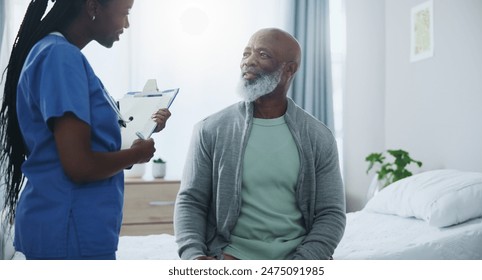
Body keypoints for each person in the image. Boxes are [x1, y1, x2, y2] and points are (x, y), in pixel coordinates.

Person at [0, 0, 171, 260]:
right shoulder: (61, 57)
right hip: (68, 229)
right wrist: (137, 155)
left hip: (64, 226)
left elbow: (82, 148)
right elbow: (79, 165)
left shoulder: (53, 53)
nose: (126, 24)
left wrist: (145, 129)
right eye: (125, 13)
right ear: (93, 7)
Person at [174, 28, 345, 260]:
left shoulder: (319, 137)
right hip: (230, 255)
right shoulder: (209, 129)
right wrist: (193, 256)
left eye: (263, 55)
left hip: (298, 257)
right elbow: (191, 201)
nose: (249, 62)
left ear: (289, 69)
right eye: (246, 53)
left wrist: (303, 262)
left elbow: (331, 213)